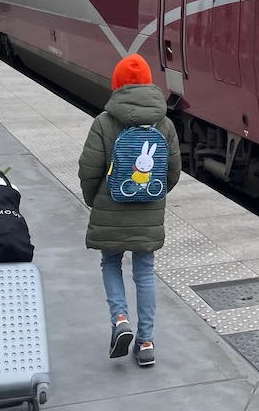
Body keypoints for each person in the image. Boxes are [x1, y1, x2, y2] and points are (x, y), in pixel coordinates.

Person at [77, 55, 181, 368]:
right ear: (149, 82)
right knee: (144, 271)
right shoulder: (164, 124)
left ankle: (120, 318)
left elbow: (88, 169)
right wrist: (153, 196)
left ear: (117, 84)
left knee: (110, 261)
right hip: (148, 209)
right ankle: (146, 342)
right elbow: (172, 172)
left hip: (110, 206)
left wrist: (93, 200)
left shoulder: (104, 122)